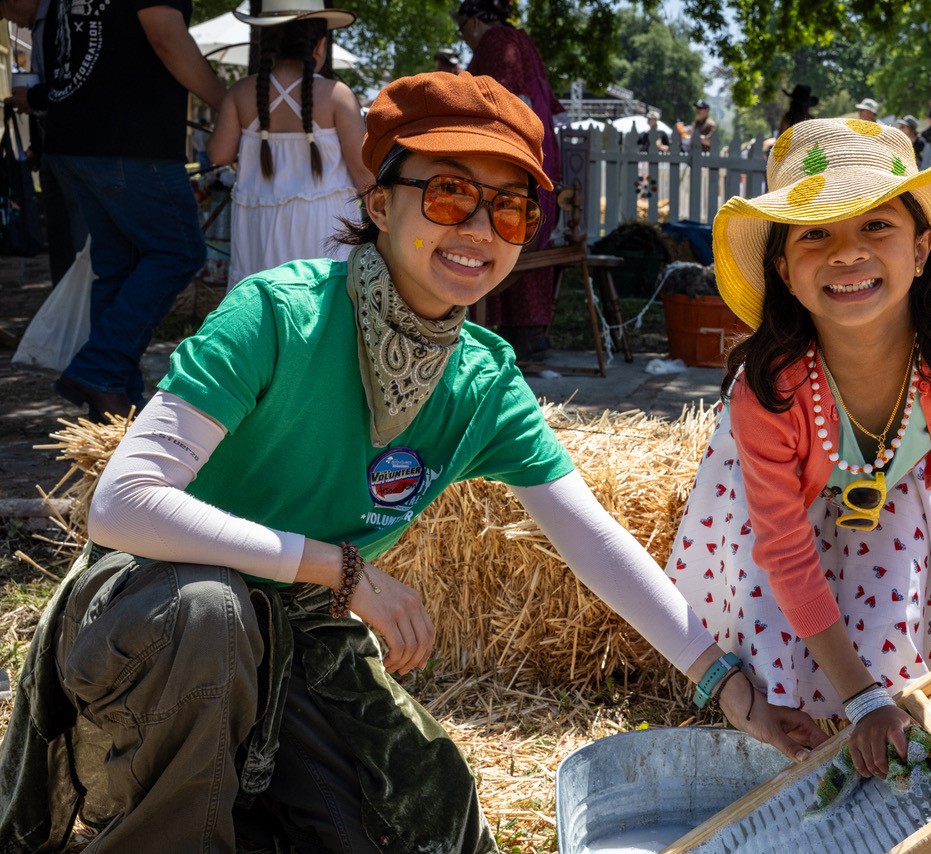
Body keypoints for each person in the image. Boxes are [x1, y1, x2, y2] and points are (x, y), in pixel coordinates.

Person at [0, 71, 826, 852]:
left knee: (429, 811)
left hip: (296, 639)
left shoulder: (480, 380)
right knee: (212, 615)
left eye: (508, 210)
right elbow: (124, 504)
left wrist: (728, 686)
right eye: (449, 193)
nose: (477, 230)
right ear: (378, 199)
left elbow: (595, 542)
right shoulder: (276, 315)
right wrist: (339, 568)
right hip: (149, 619)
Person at [664, 118, 931, 778]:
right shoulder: (768, 392)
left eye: (876, 226)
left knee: (895, 636)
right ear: (784, 273)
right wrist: (860, 701)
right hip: (786, 511)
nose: (847, 253)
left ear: (921, 249)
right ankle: (810, 765)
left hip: (907, 481)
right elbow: (787, 552)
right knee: (788, 658)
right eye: (815, 233)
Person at [40, 0, 226, 421]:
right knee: (179, 251)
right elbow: (165, 36)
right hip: (128, 140)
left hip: (75, 135)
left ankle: (111, 402)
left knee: (118, 265)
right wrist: (223, 99)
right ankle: (99, 371)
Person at [207, 0, 372, 292]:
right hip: (324, 228)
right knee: (322, 307)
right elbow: (364, 171)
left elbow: (218, 153)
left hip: (258, 228)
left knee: (263, 309)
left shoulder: (242, 92)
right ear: (320, 45)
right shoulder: (336, 95)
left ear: (266, 40)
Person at [456, 0, 563, 361]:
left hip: (515, 143)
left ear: (472, 22)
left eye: (461, 27)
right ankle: (526, 333)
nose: (463, 37)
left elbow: (499, 99)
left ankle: (499, 332)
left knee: (497, 216)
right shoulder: (517, 37)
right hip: (535, 142)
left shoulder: (496, 41)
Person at [0, 0, 87, 286]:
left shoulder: (61, 16)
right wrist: (37, 146)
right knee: (61, 238)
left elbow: (71, 81)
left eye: (4, 9)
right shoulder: (39, 26)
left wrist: (34, 98)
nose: (6, 19)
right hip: (52, 148)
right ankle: (63, 302)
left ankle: (80, 304)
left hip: (75, 147)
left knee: (79, 238)